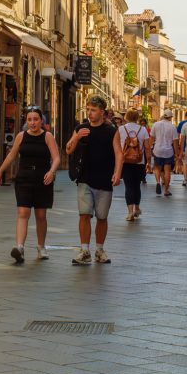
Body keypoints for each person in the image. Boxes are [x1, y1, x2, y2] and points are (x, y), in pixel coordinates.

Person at [0, 106, 60, 263]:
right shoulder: (21, 136)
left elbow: (56, 157)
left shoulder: (48, 136)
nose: (33, 123)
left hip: (43, 179)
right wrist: (0, 170)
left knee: (40, 215)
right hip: (24, 178)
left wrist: (51, 172)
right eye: (29, 120)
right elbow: (12, 155)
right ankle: (20, 248)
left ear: (41, 121)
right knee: (23, 213)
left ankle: (41, 247)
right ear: (26, 121)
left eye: (36, 119)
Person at [66, 95, 123, 265]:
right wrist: (77, 137)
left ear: (102, 112)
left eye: (93, 110)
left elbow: (119, 153)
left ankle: (99, 249)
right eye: (88, 109)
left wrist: (117, 173)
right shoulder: (81, 128)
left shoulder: (112, 131)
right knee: (84, 215)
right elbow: (68, 150)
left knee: (102, 217)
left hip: (105, 179)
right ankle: (84, 250)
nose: (89, 113)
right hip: (84, 179)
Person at [113, 109, 151, 221]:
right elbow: (147, 147)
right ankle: (137, 208)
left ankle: (130, 212)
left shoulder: (120, 129)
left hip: (125, 162)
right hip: (139, 162)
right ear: (137, 118)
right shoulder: (143, 129)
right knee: (136, 186)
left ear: (126, 117)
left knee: (128, 186)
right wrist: (149, 162)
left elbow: (116, 146)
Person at [150, 109, 178, 197]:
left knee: (157, 168)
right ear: (170, 117)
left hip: (157, 149)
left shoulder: (156, 124)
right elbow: (175, 141)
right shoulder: (172, 127)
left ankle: (158, 182)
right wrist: (177, 153)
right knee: (167, 172)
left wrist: (150, 148)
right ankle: (166, 190)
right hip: (168, 151)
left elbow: (152, 138)